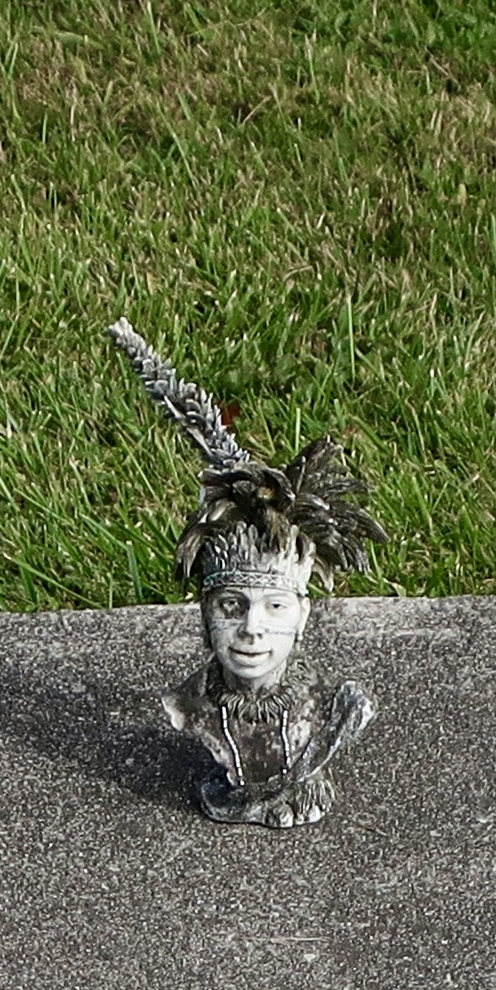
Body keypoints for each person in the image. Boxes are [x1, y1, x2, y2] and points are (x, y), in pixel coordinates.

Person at [113, 320, 382, 827]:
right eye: (231, 606)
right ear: (205, 614)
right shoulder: (190, 706)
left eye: (274, 606)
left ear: (302, 614)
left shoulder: (330, 707)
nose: (252, 628)